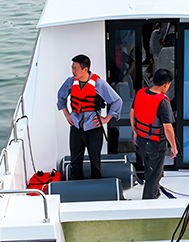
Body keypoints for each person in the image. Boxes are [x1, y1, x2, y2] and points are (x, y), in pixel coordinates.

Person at [56, 54, 122, 179]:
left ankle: (96, 189)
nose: (73, 71)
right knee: (75, 161)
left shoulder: (99, 83)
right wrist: (67, 114)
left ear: (85, 69)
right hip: (76, 128)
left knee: (95, 161)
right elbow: (61, 96)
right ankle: (76, 189)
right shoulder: (70, 82)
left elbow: (117, 101)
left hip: (94, 128)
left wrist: (107, 119)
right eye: (72, 68)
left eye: (75, 68)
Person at [130, 68, 178, 199]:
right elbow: (168, 128)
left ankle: (155, 193)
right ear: (166, 84)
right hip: (155, 144)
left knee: (150, 169)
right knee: (153, 176)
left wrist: (136, 131)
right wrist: (173, 146)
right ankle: (148, 201)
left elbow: (132, 113)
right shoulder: (163, 102)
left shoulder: (141, 92)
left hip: (140, 140)